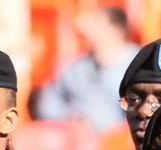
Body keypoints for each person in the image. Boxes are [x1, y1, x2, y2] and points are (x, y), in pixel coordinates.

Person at [31, 6, 141, 134]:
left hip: (118, 143)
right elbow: (49, 103)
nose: (87, 30)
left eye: (96, 24)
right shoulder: (73, 67)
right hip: (73, 140)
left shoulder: (139, 66)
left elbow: (139, 110)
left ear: (116, 31)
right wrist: (68, 120)